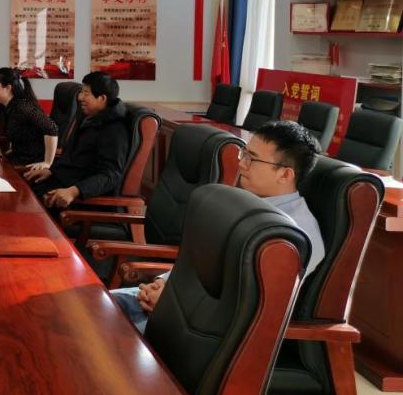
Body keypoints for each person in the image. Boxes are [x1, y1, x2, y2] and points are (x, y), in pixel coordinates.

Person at [112, 120, 326, 333]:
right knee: (96, 305)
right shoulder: (242, 202)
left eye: (252, 159)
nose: (242, 164)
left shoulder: (294, 236)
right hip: (175, 301)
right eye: (244, 154)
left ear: (285, 174)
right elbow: (200, 263)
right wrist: (164, 283)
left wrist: (172, 303)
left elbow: (250, 305)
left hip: (199, 328)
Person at [25, 71, 129, 208]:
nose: (80, 98)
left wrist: (74, 191)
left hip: (77, 196)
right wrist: (51, 171)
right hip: (61, 181)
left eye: (86, 94)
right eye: (81, 93)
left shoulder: (114, 130)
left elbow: (111, 175)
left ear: (102, 98)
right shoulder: (89, 118)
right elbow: (72, 158)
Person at [0, 67, 57, 172]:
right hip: (18, 158)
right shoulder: (10, 107)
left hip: (29, 163)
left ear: (7, 88)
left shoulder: (22, 107)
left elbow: (51, 128)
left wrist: (47, 162)